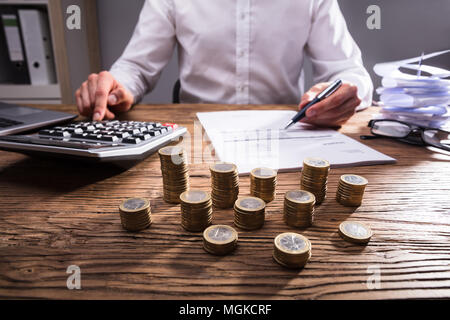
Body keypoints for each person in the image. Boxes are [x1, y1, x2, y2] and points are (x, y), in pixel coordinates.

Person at [76, 0, 373, 127]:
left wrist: (346, 92)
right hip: (195, 137)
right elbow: (137, 68)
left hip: (286, 133)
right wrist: (116, 86)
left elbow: (347, 72)